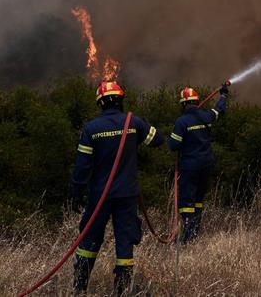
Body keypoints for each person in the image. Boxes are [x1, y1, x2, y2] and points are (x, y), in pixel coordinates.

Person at [71, 81, 164, 295]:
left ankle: (79, 288)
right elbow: (158, 140)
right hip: (127, 194)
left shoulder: (91, 129)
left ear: (100, 103)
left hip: (100, 195)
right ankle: (121, 290)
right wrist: (141, 126)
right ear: (121, 100)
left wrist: (77, 193)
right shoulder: (134, 123)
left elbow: (82, 167)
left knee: (89, 239)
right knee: (125, 241)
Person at [168, 82, 229, 243]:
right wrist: (223, 95)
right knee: (198, 201)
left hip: (190, 167)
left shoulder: (182, 122)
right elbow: (218, 110)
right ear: (197, 101)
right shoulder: (206, 116)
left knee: (186, 202)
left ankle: (186, 238)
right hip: (206, 166)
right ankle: (194, 235)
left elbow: (173, 145)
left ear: (183, 104)